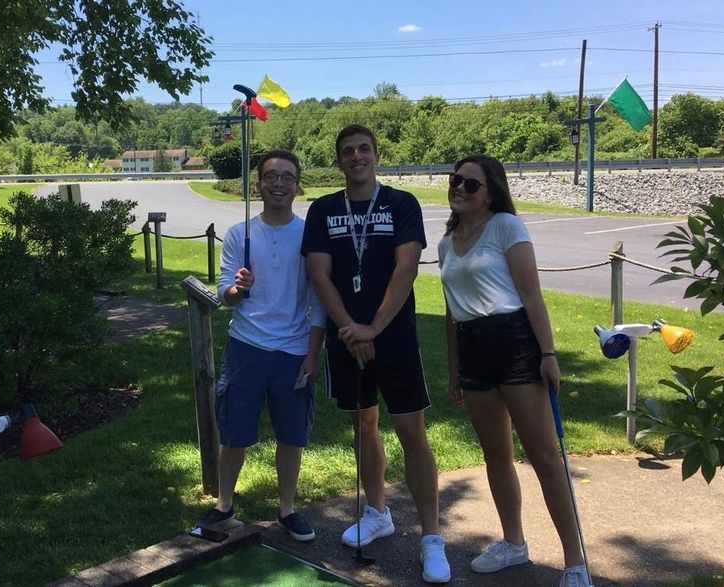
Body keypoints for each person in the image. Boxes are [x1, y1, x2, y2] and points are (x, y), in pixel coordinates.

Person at [302, 124, 451, 583]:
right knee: (363, 425)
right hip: (349, 337)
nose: (356, 156)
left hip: (395, 336)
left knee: (411, 431)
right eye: (347, 151)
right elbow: (319, 275)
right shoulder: (324, 209)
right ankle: (378, 511)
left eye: (364, 149)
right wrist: (351, 328)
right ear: (339, 160)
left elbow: (406, 269)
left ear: (376, 155)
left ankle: (431, 538)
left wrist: (373, 327)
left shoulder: (402, 203)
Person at [438, 154, 588, 586]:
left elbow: (532, 295)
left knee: (544, 456)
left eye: (471, 184)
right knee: (496, 455)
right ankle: (514, 543)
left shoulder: (506, 227)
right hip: (473, 349)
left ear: (490, 194)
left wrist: (549, 354)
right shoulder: (447, 243)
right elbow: (451, 314)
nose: (459, 189)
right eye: (456, 181)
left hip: (516, 344)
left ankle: (575, 562)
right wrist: (454, 370)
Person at [195, 149, 326, 542]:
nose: (279, 183)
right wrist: (239, 287)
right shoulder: (240, 234)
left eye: (287, 176)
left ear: (297, 184)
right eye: (271, 176)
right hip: (246, 347)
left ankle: (287, 509)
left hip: (293, 349)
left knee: (291, 435)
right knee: (234, 431)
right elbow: (224, 294)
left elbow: (319, 299)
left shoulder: (309, 235)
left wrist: (313, 353)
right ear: (259, 184)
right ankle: (224, 506)